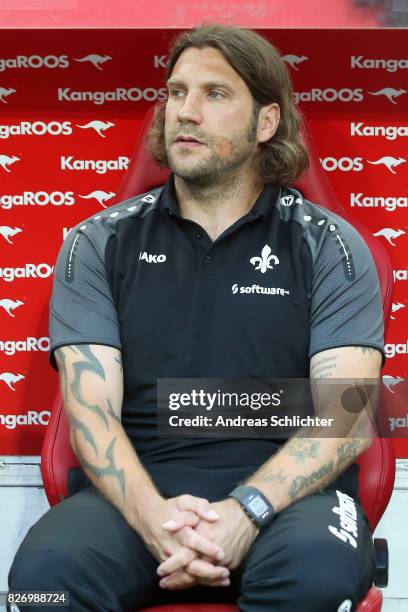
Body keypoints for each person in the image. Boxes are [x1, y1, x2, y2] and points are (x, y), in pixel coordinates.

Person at [8, 23, 384, 612]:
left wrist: (245, 511)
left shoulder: (329, 245)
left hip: (290, 500)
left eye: (214, 94)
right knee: (43, 581)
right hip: (139, 494)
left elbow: (348, 416)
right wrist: (156, 520)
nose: (185, 111)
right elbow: (92, 415)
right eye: (176, 92)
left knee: (315, 574)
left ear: (266, 122)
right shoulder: (96, 243)